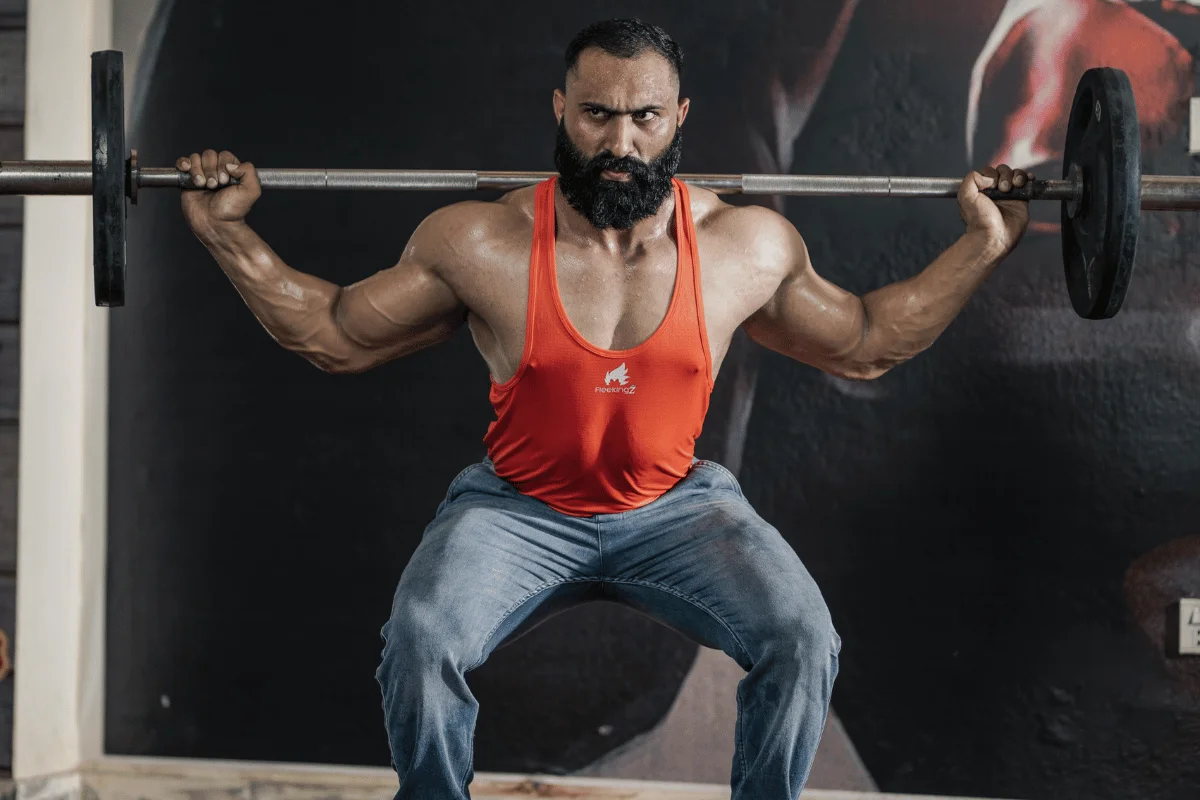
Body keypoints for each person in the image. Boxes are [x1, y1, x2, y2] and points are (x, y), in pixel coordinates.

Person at [175, 18, 1031, 800]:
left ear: (680, 117)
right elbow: (333, 332)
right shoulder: (481, 243)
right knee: (421, 638)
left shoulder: (744, 245)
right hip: (518, 508)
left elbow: (868, 339)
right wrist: (227, 233)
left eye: (646, 118)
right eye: (596, 115)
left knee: (802, 634)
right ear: (560, 109)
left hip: (676, 510)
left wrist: (981, 244)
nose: (620, 141)